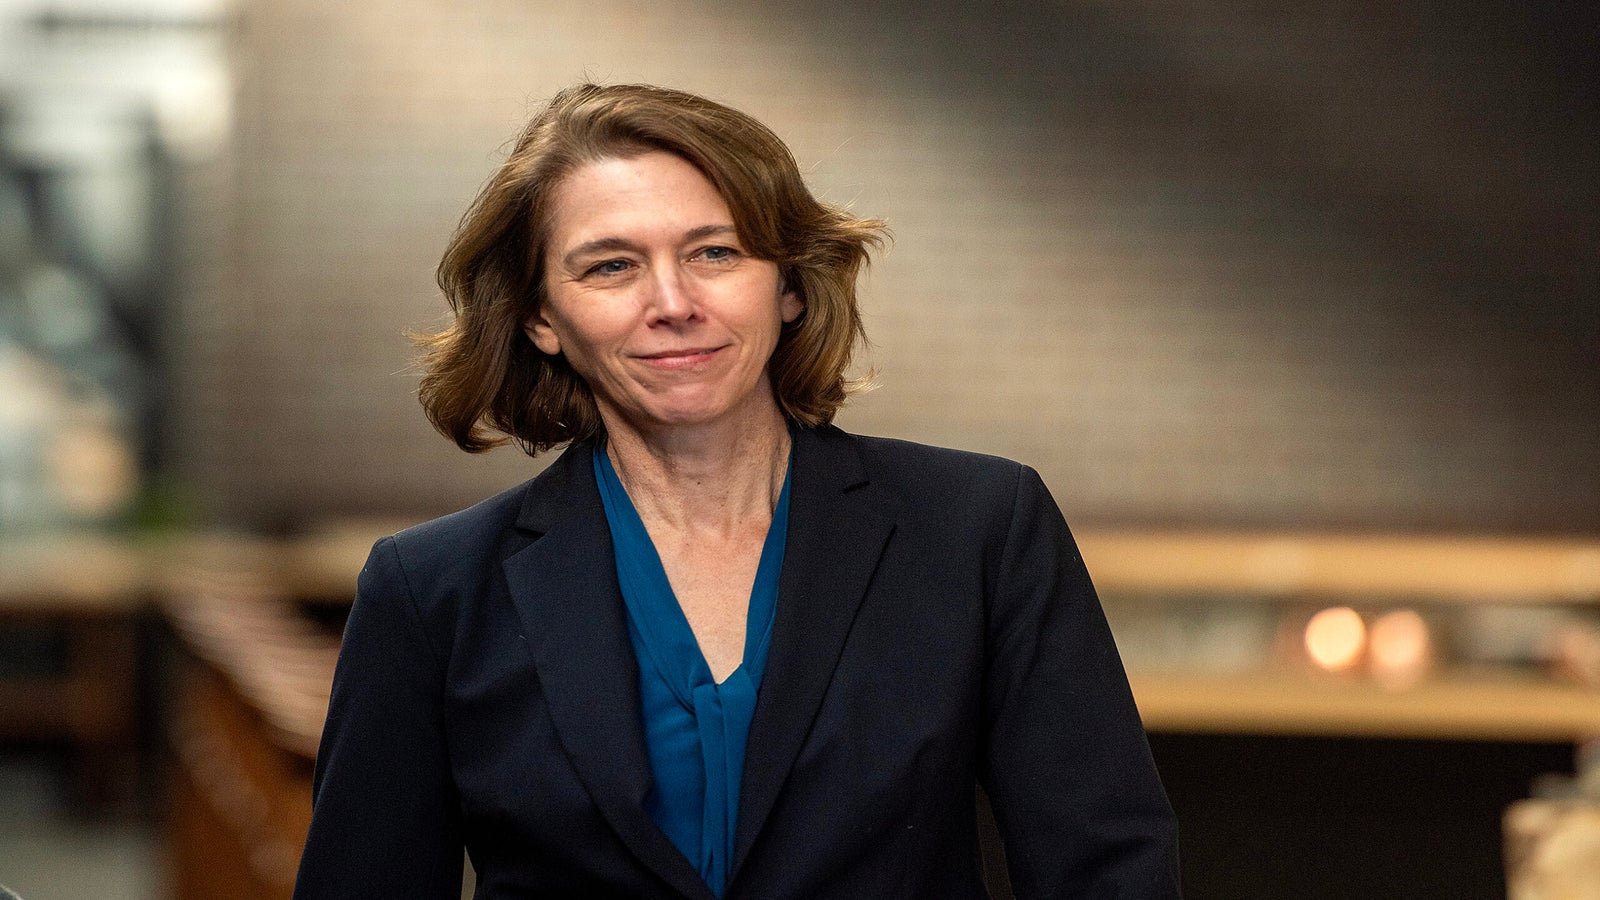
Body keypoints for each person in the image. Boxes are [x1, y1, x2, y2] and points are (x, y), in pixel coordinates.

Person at [293, 82, 1180, 900]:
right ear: (540, 318)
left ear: (788, 284)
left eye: (714, 252)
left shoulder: (980, 530)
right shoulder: (432, 591)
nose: (673, 302)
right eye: (611, 266)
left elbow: (1105, 872)